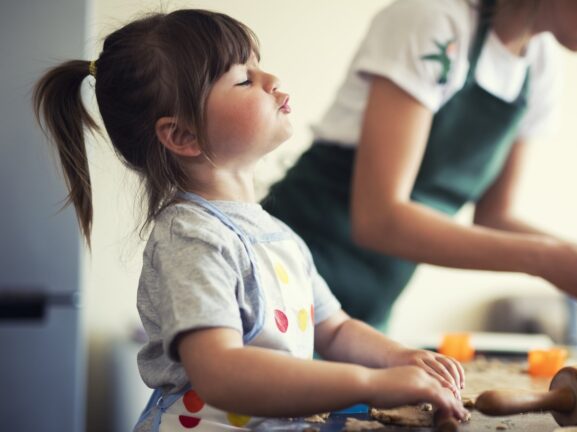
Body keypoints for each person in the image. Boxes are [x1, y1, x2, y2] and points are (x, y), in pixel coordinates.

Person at [33, 9, 468, 432]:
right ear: (182, 135)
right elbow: (220, 371)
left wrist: (399, 358)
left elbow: (333, 328)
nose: (272, 80)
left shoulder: (278, 234)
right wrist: (371, 383)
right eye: (244, 79)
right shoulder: (190, 236)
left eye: (258, 67)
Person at [263, 0, 577, 330]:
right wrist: (549, 260)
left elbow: (495, 216)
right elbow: (378, 219)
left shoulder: (540, 67)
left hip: (365, 314)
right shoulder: (433, 22)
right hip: (286, 281)